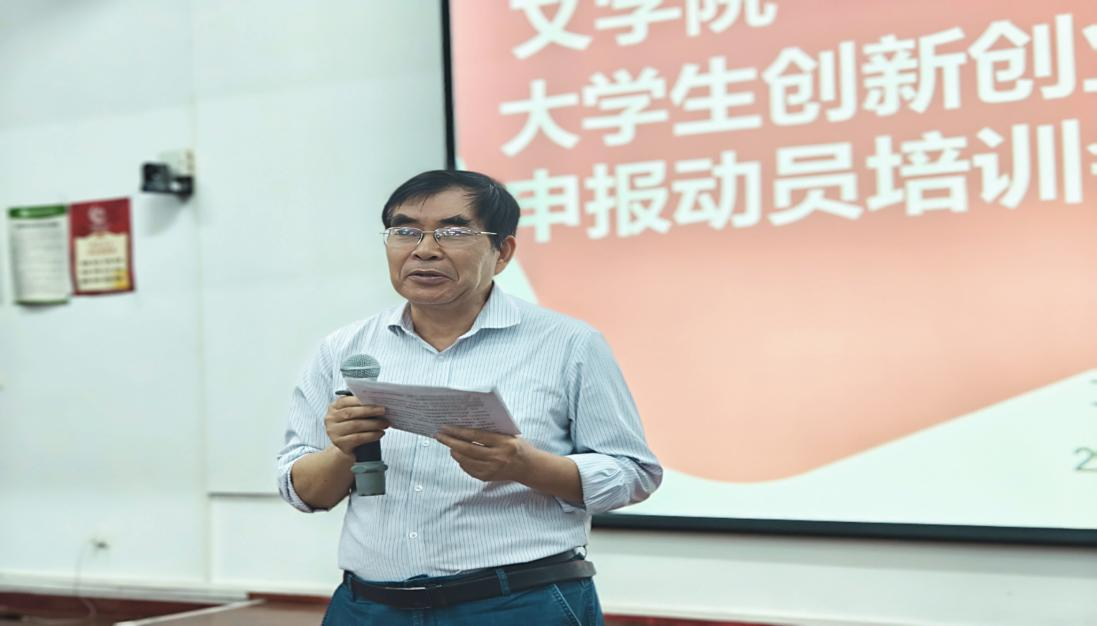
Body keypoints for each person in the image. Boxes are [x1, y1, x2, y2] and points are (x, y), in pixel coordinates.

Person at [277, 169, 662, 625]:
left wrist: (526, 466)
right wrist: (344, 450)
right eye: (405, 231)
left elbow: (634, 472)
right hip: (369, 607)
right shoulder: (344, 348)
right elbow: (303, 492)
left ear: (503, 252)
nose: (424, 249)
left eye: (454, 232)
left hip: (517, 604)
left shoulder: (569, 344)